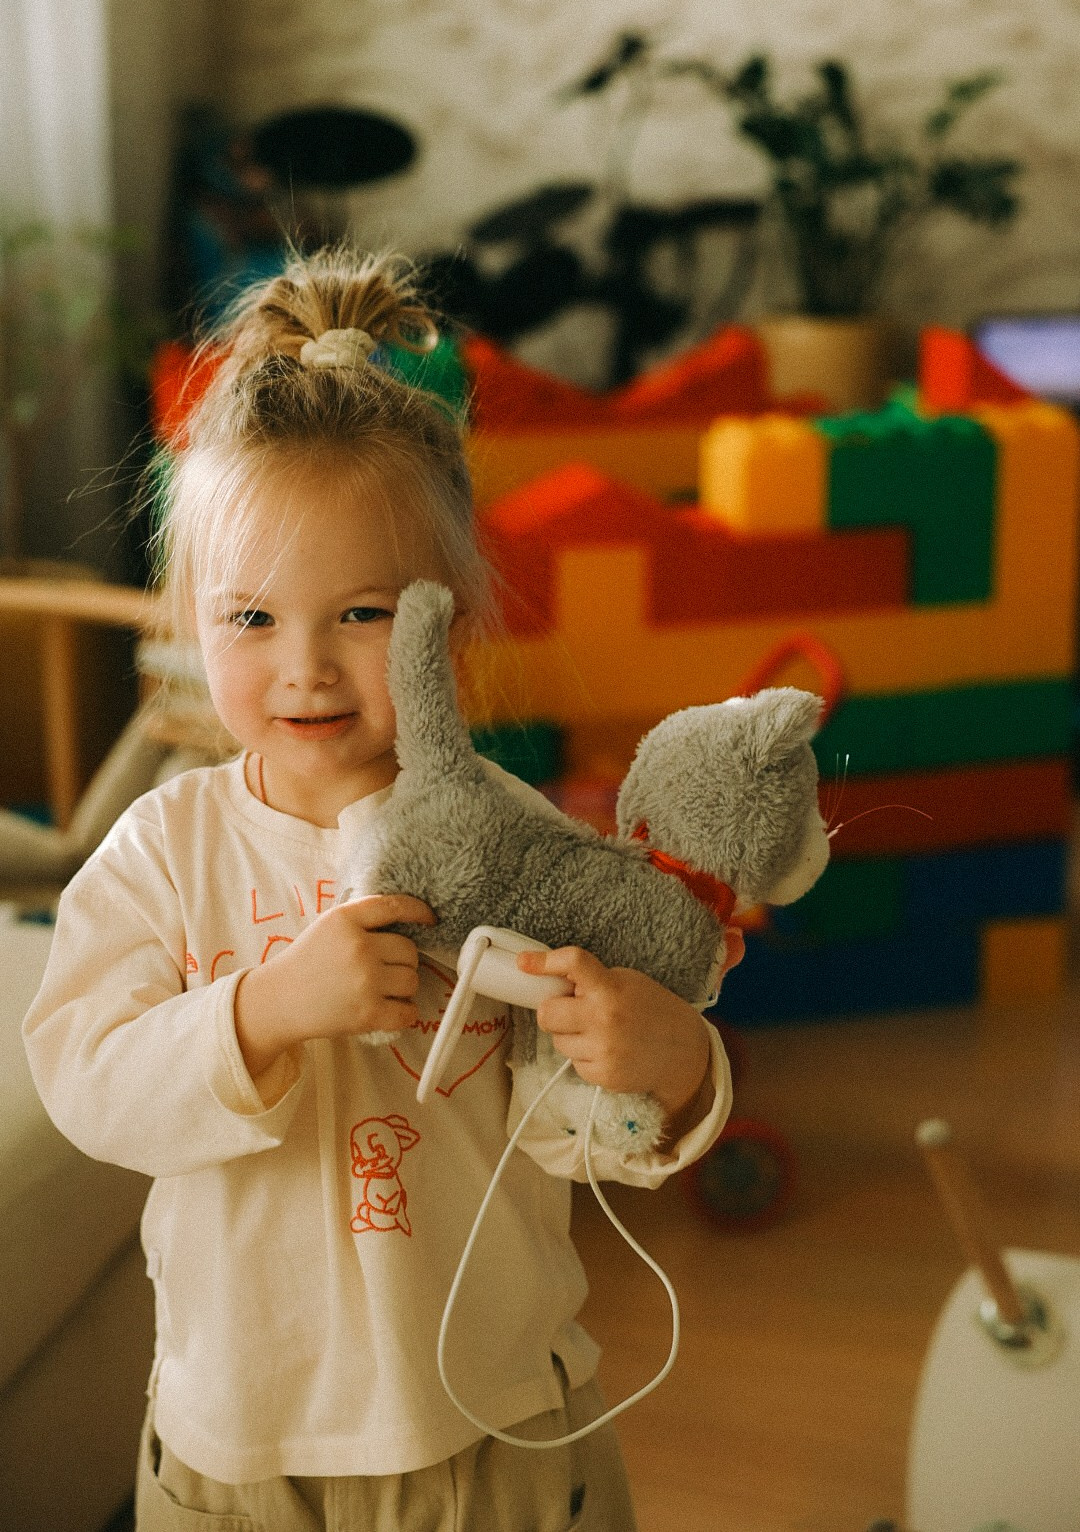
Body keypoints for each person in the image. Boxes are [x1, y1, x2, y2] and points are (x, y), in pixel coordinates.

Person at [23, 246, 737, 1531]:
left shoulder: (514, 848)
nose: (303, 670)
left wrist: (668, 1063)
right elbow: (87, 1083)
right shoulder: (163, 853)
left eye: (357, 613)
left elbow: (582, 1128)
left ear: (447, 613)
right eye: (250, 619)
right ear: (191, 616)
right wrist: (262, 1011)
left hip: (500, 1430)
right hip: (238, 1452)